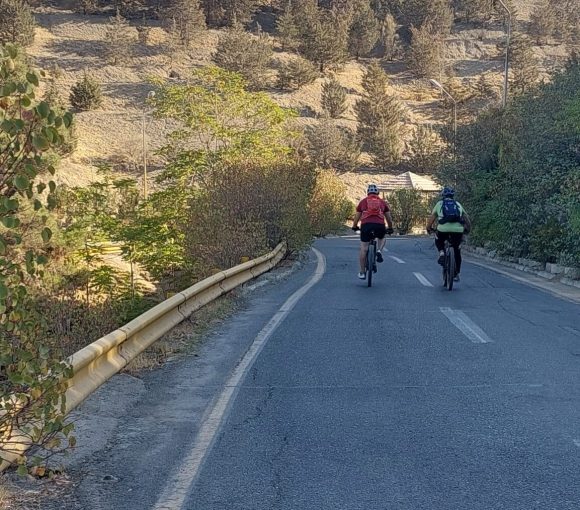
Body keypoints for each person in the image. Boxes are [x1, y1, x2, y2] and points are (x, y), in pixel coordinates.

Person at [426, 186, 471, 281]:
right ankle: (456, 273)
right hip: (458, 231)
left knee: (438, 240)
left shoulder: (439, 204)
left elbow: (431, 218)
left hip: (442, 229)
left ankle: (442, 252)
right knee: (457, 251)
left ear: (443, 195)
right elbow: (466, 218)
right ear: (452, 196)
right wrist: (467, 229)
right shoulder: (458, 204)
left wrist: (429, 228)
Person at [352, 184, 394, 280]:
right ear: (377, 193)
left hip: (366, 226)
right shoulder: (382, 202)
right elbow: (389, 218)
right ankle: (379, 250)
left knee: (364, 249)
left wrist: (354, 226)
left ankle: (362, 272)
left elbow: (357, 217)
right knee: (382, 237)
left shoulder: (363, 202)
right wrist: (390, 228)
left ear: (368, 193)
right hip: (379, 225)